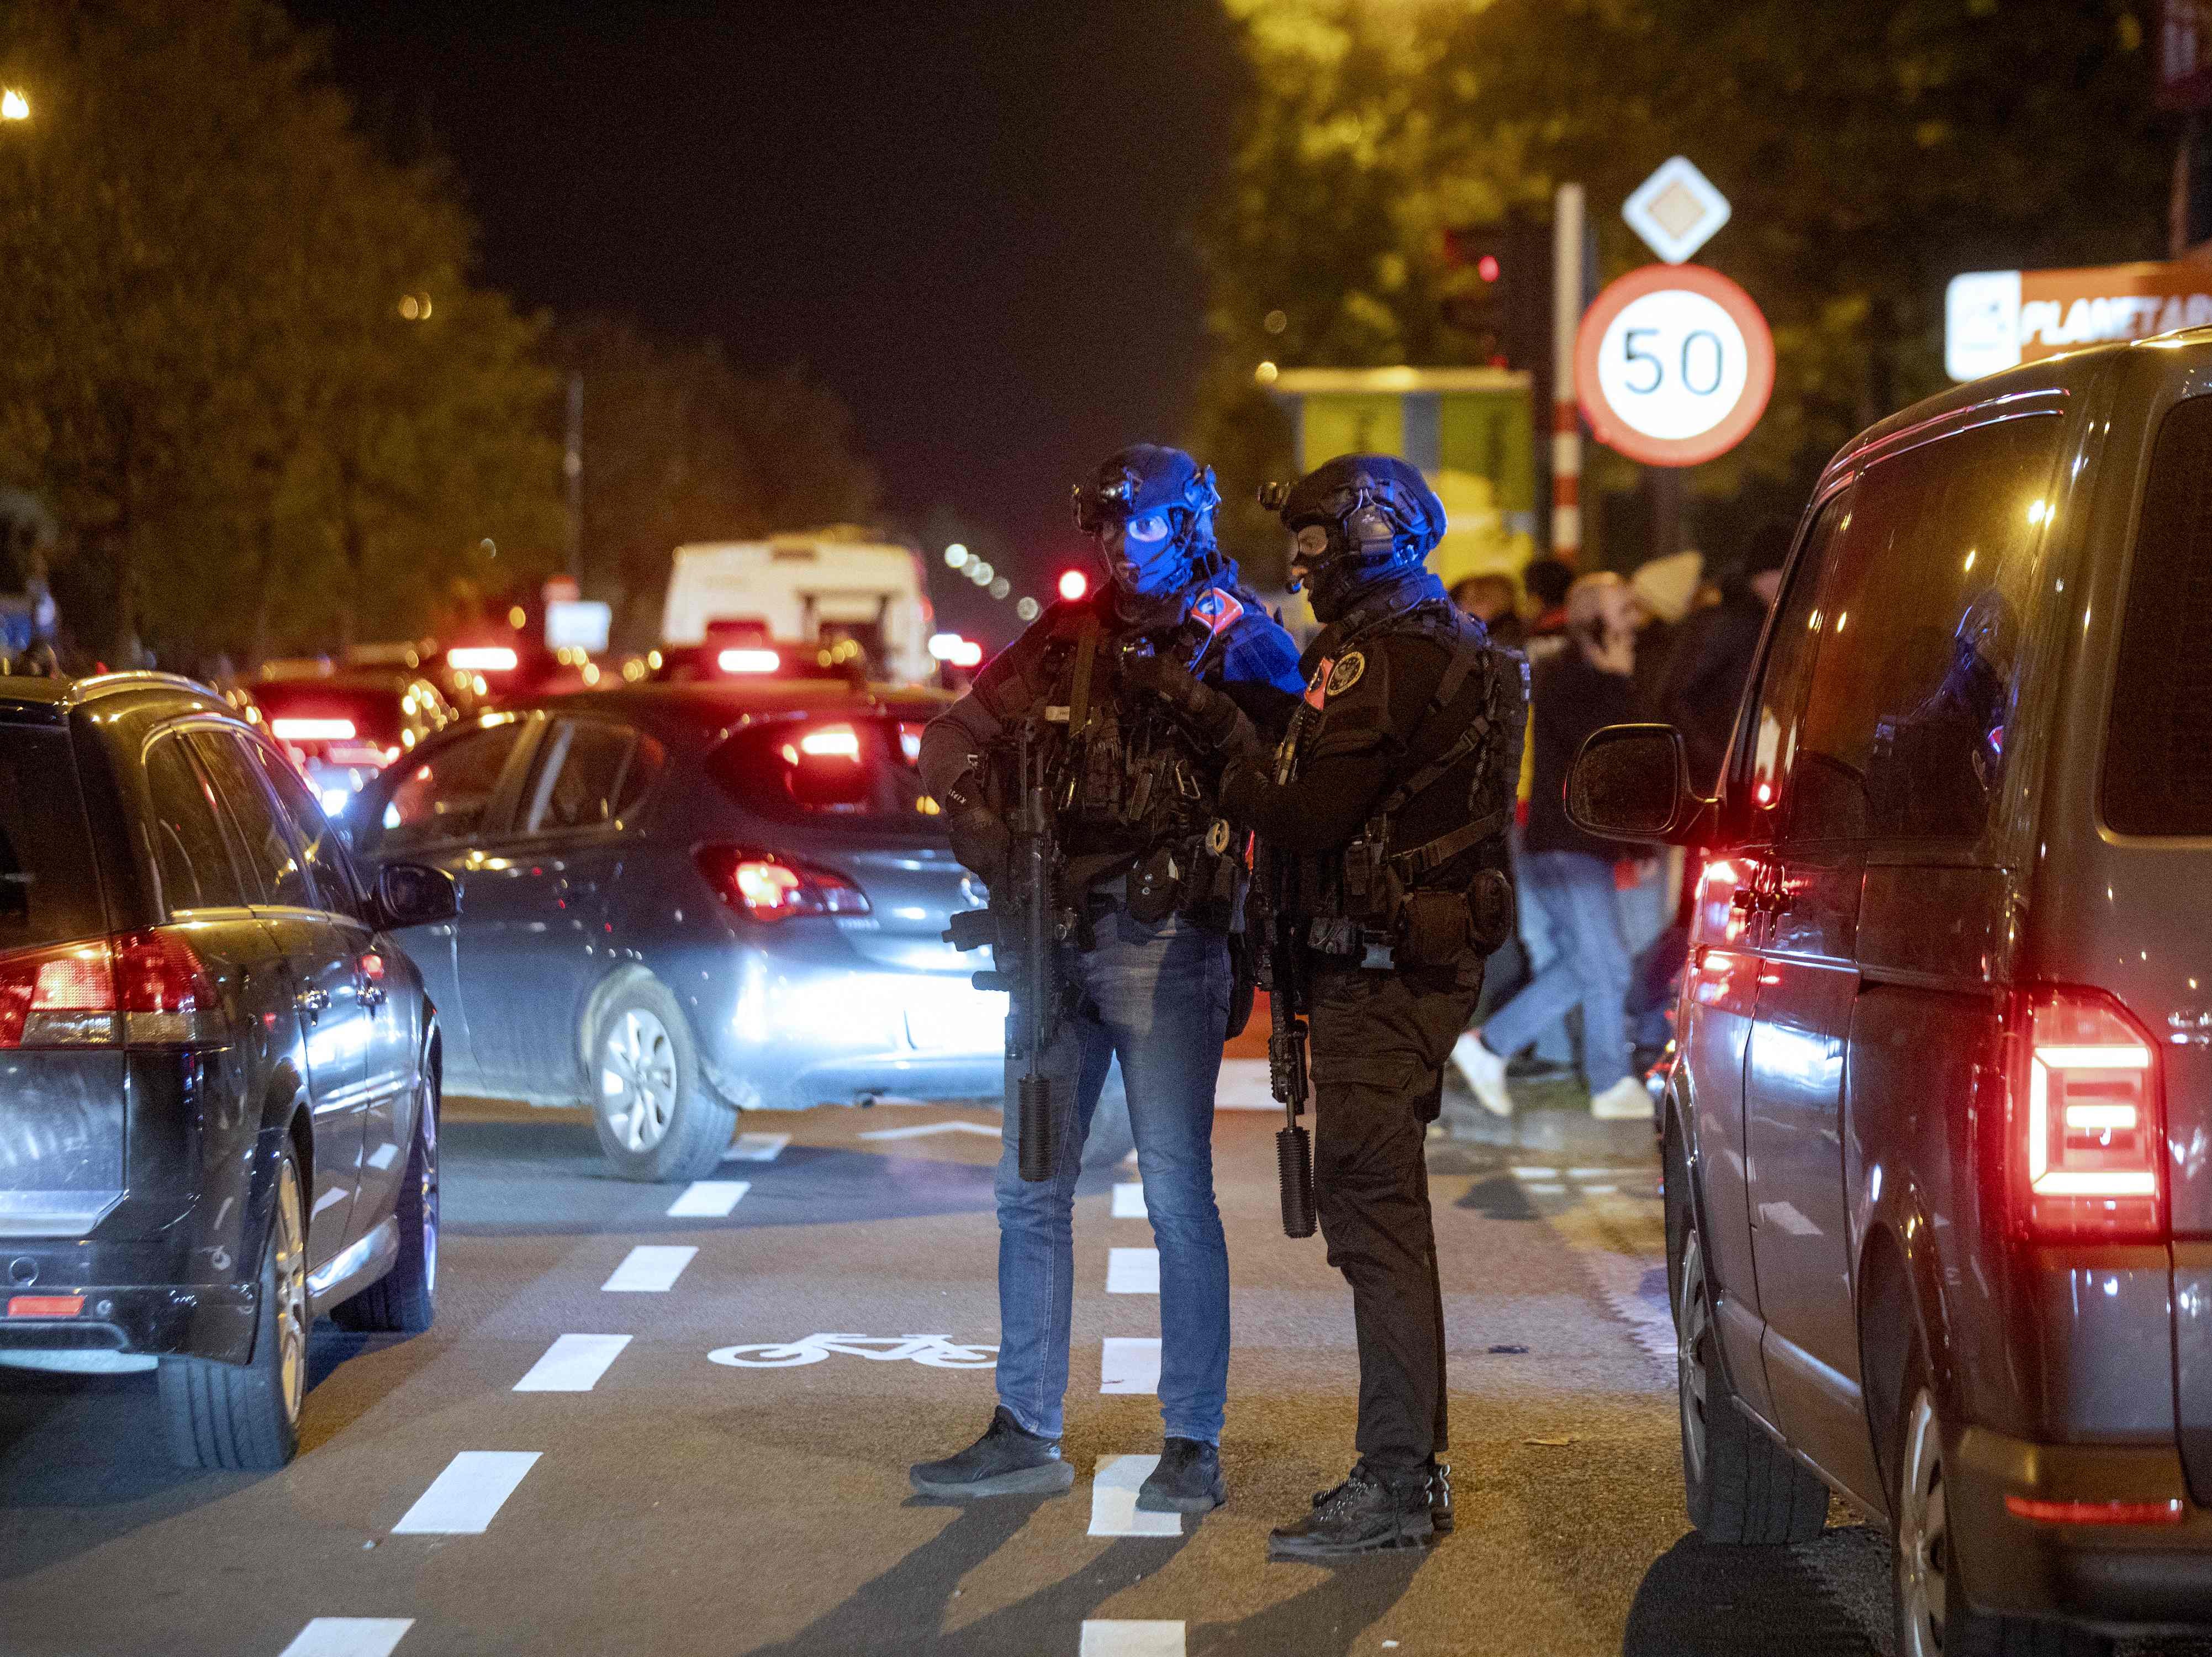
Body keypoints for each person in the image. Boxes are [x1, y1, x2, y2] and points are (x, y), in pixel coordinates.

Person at [1131, 453, 1525, 1558]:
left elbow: (1308, 809)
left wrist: (1221, 744)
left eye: (1313, 545)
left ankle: (1397, 1481)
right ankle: (1407, 1470)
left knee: (1375, 1225)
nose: (1300, 568)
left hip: (1380, 973)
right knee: (1377, 1219)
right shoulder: (1422, 644)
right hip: (1393, 963)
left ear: (1370, 536)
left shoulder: (1387, 656)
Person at [909, 444, 1304, 1514]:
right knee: (1027, 1188)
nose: (1122, 549)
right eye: (1110, 529)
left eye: (1142, 528)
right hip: (1053, 935)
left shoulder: (1234, 633)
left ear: (1184, 526)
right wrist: (977, 820)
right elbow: (948, 738)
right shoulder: (1065, 633)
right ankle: (1024, 1425)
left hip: (1167, 938)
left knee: (1176, 1189)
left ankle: (1191, 1441)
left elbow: (1293, 767)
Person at [1451, 572, 1649, 1121]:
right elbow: (1604, 756)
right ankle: (1602, 1081)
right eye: (1623, 609)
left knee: (1594, 963)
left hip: (1572, 843)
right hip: (1566, 844)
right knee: (1604, 964)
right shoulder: (1577, 680)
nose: (1634, 619)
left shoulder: (1585, 676)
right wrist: (1619, 683)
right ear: (1595, 623)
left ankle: (1495, 1048)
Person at [1658, 521, 1789, 794]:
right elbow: (1676, 697)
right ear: (1768, 573)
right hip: (1715, 781)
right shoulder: (1728, 623)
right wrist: (1719, 761)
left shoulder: (1762, 620)